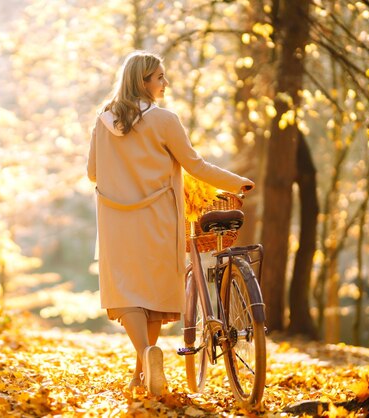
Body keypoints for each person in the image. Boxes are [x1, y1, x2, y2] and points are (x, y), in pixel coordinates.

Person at [86, 50, 255, 396]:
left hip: (115, 219)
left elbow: (92, 172)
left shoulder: (103, 119)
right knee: (150, 294)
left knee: (128, 293)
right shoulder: (164, 120)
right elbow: (196, 165)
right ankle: (147, 357)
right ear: (143, 80)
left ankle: (143, 366)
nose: (165, 83)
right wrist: (237, 182)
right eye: (160, 77)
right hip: (157, 218)